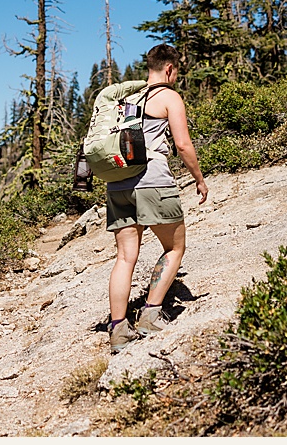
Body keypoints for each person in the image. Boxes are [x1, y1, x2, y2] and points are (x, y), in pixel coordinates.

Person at [105, 43, 208, 348]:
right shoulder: (169, 97)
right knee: (175, 248)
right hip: (153, 182)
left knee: (125, 257)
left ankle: (118, 329)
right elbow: (184, 145)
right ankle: (150, 314)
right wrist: (199, 180)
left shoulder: (125, 97)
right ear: (169, 69)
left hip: (118, 184)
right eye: (176, 72)